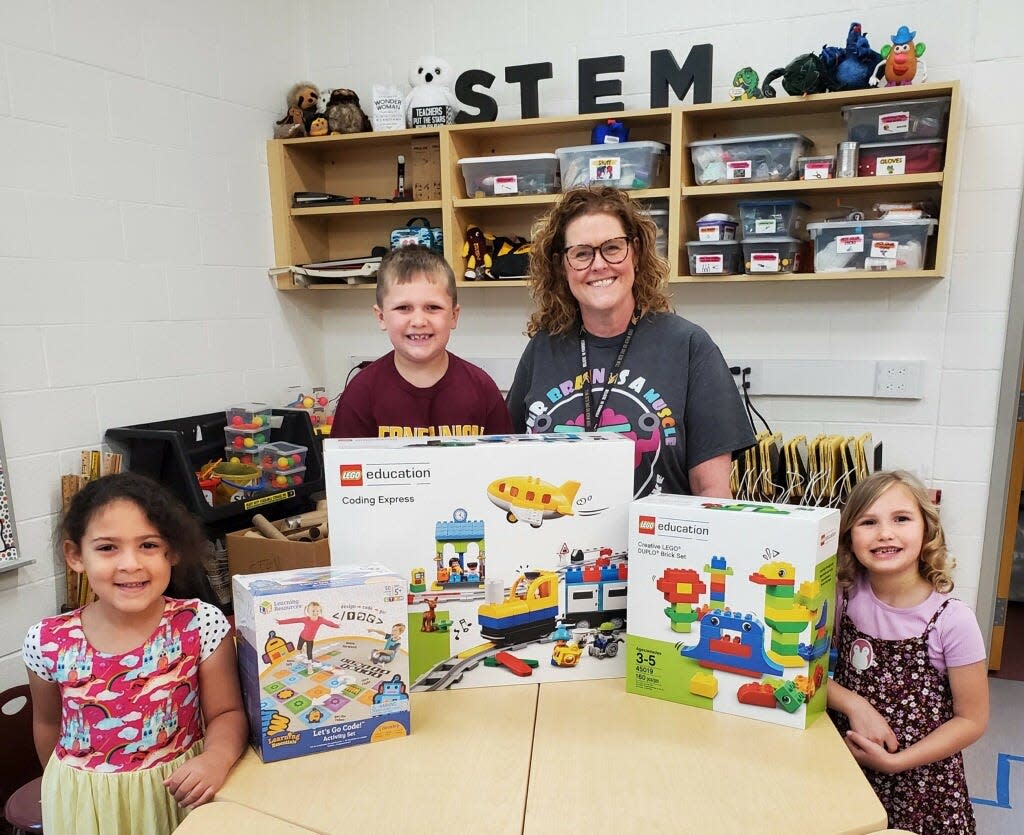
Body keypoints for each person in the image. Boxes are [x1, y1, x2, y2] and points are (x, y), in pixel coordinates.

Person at [22, 472, 248, 835]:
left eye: (148, 545)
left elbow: (227, 712)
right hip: (86, 807)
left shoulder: (200, 624)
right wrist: (64, 789)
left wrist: (216, 759)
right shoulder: (46, 641)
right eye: (108, 547)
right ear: (76, 556)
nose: (130, 564)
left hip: (175, 794)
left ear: (171, 550)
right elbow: (48, 724)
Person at [507, 186, 753, 498]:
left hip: (658, 545)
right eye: (581, 253)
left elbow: (712, 492)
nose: (598, 265)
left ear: (634, 252)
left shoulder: (689, 348)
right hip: (559, 542)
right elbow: (512, 465)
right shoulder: (542, 350)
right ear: (562, 266)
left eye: (612, 248)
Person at [826, 470, 988, 833]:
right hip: (850, 763)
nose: (885, 532)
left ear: (927, 531)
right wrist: (855, 704)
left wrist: (897, 763)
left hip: (923, 782)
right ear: (849, 536)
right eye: (868, 521)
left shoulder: (952, 620)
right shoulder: (843, 598)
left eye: (901, 519)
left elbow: (972, 720)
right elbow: (809, 672)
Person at [330, 245, 513, 439]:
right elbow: (344, 467)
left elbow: (506, 464)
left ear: (453, 316)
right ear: (381, 317)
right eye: (404, 308)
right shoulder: (360, 394)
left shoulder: (482, 390)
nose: (418, 321)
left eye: (433, 307)